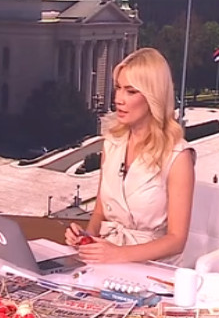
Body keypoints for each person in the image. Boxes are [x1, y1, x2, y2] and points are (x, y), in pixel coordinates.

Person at [64, 48, 196, 266]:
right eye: (118, 88)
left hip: (152, 266)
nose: (118, 99)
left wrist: (120, 254)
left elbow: (177, 240)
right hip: (107, 258)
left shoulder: (178, 157)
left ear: (153, 96)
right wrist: (86, 238)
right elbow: (100, 211)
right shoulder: (112, 143)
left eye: (130, 91)